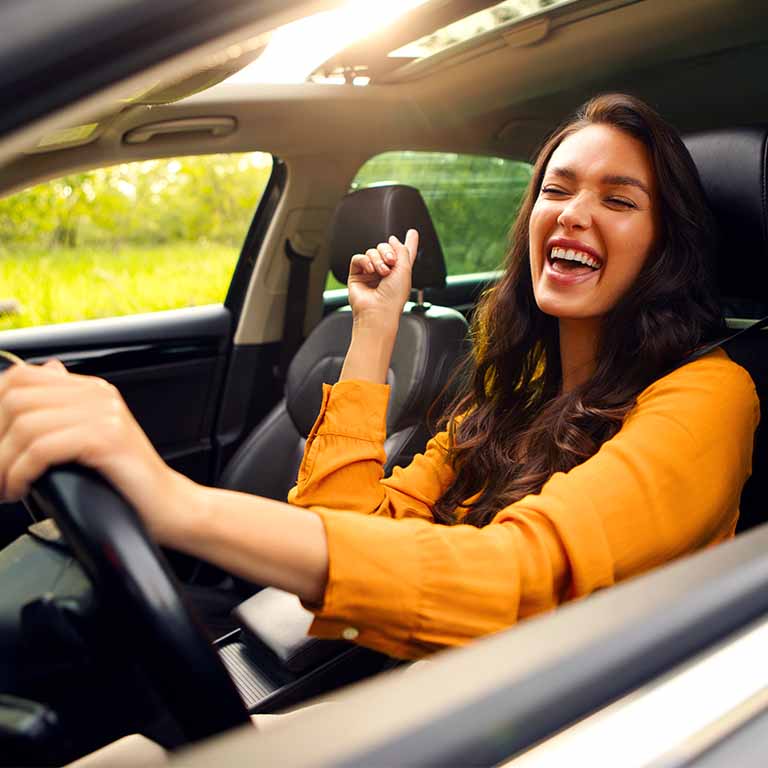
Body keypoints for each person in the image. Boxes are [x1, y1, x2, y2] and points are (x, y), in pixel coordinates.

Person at [0, 92, 758, 683]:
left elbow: (519, 579)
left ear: (667, 246)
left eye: (618, 200)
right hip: (443, 676)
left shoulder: (709, 397)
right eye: (556, 190)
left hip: (577, 710)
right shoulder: (521, 382)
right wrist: (374, 331)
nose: (573, 214)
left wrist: (175, 504)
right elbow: (350, 518)